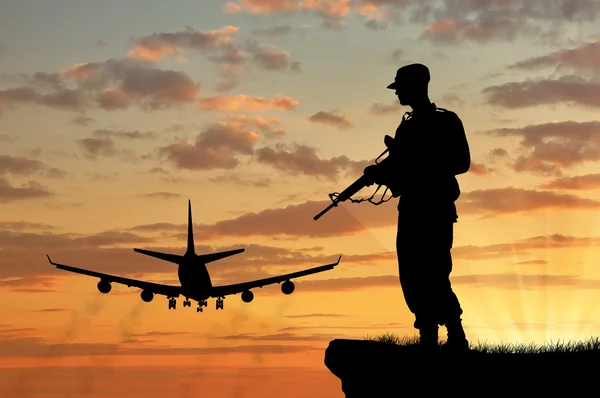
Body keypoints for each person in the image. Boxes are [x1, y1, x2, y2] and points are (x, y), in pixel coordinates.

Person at [364, 63, 471, 352]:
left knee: (435, 273)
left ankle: (456, 334)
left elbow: (461, 163)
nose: (397, 92)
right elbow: (400, 170)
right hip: (410, 209)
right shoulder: (406, 126)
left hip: (434, 209)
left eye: (400, 86)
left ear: (416, 86)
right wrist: (379, 174)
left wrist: (416, 163)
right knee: (412, 275)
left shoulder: (446, 122)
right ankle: (427, 336)